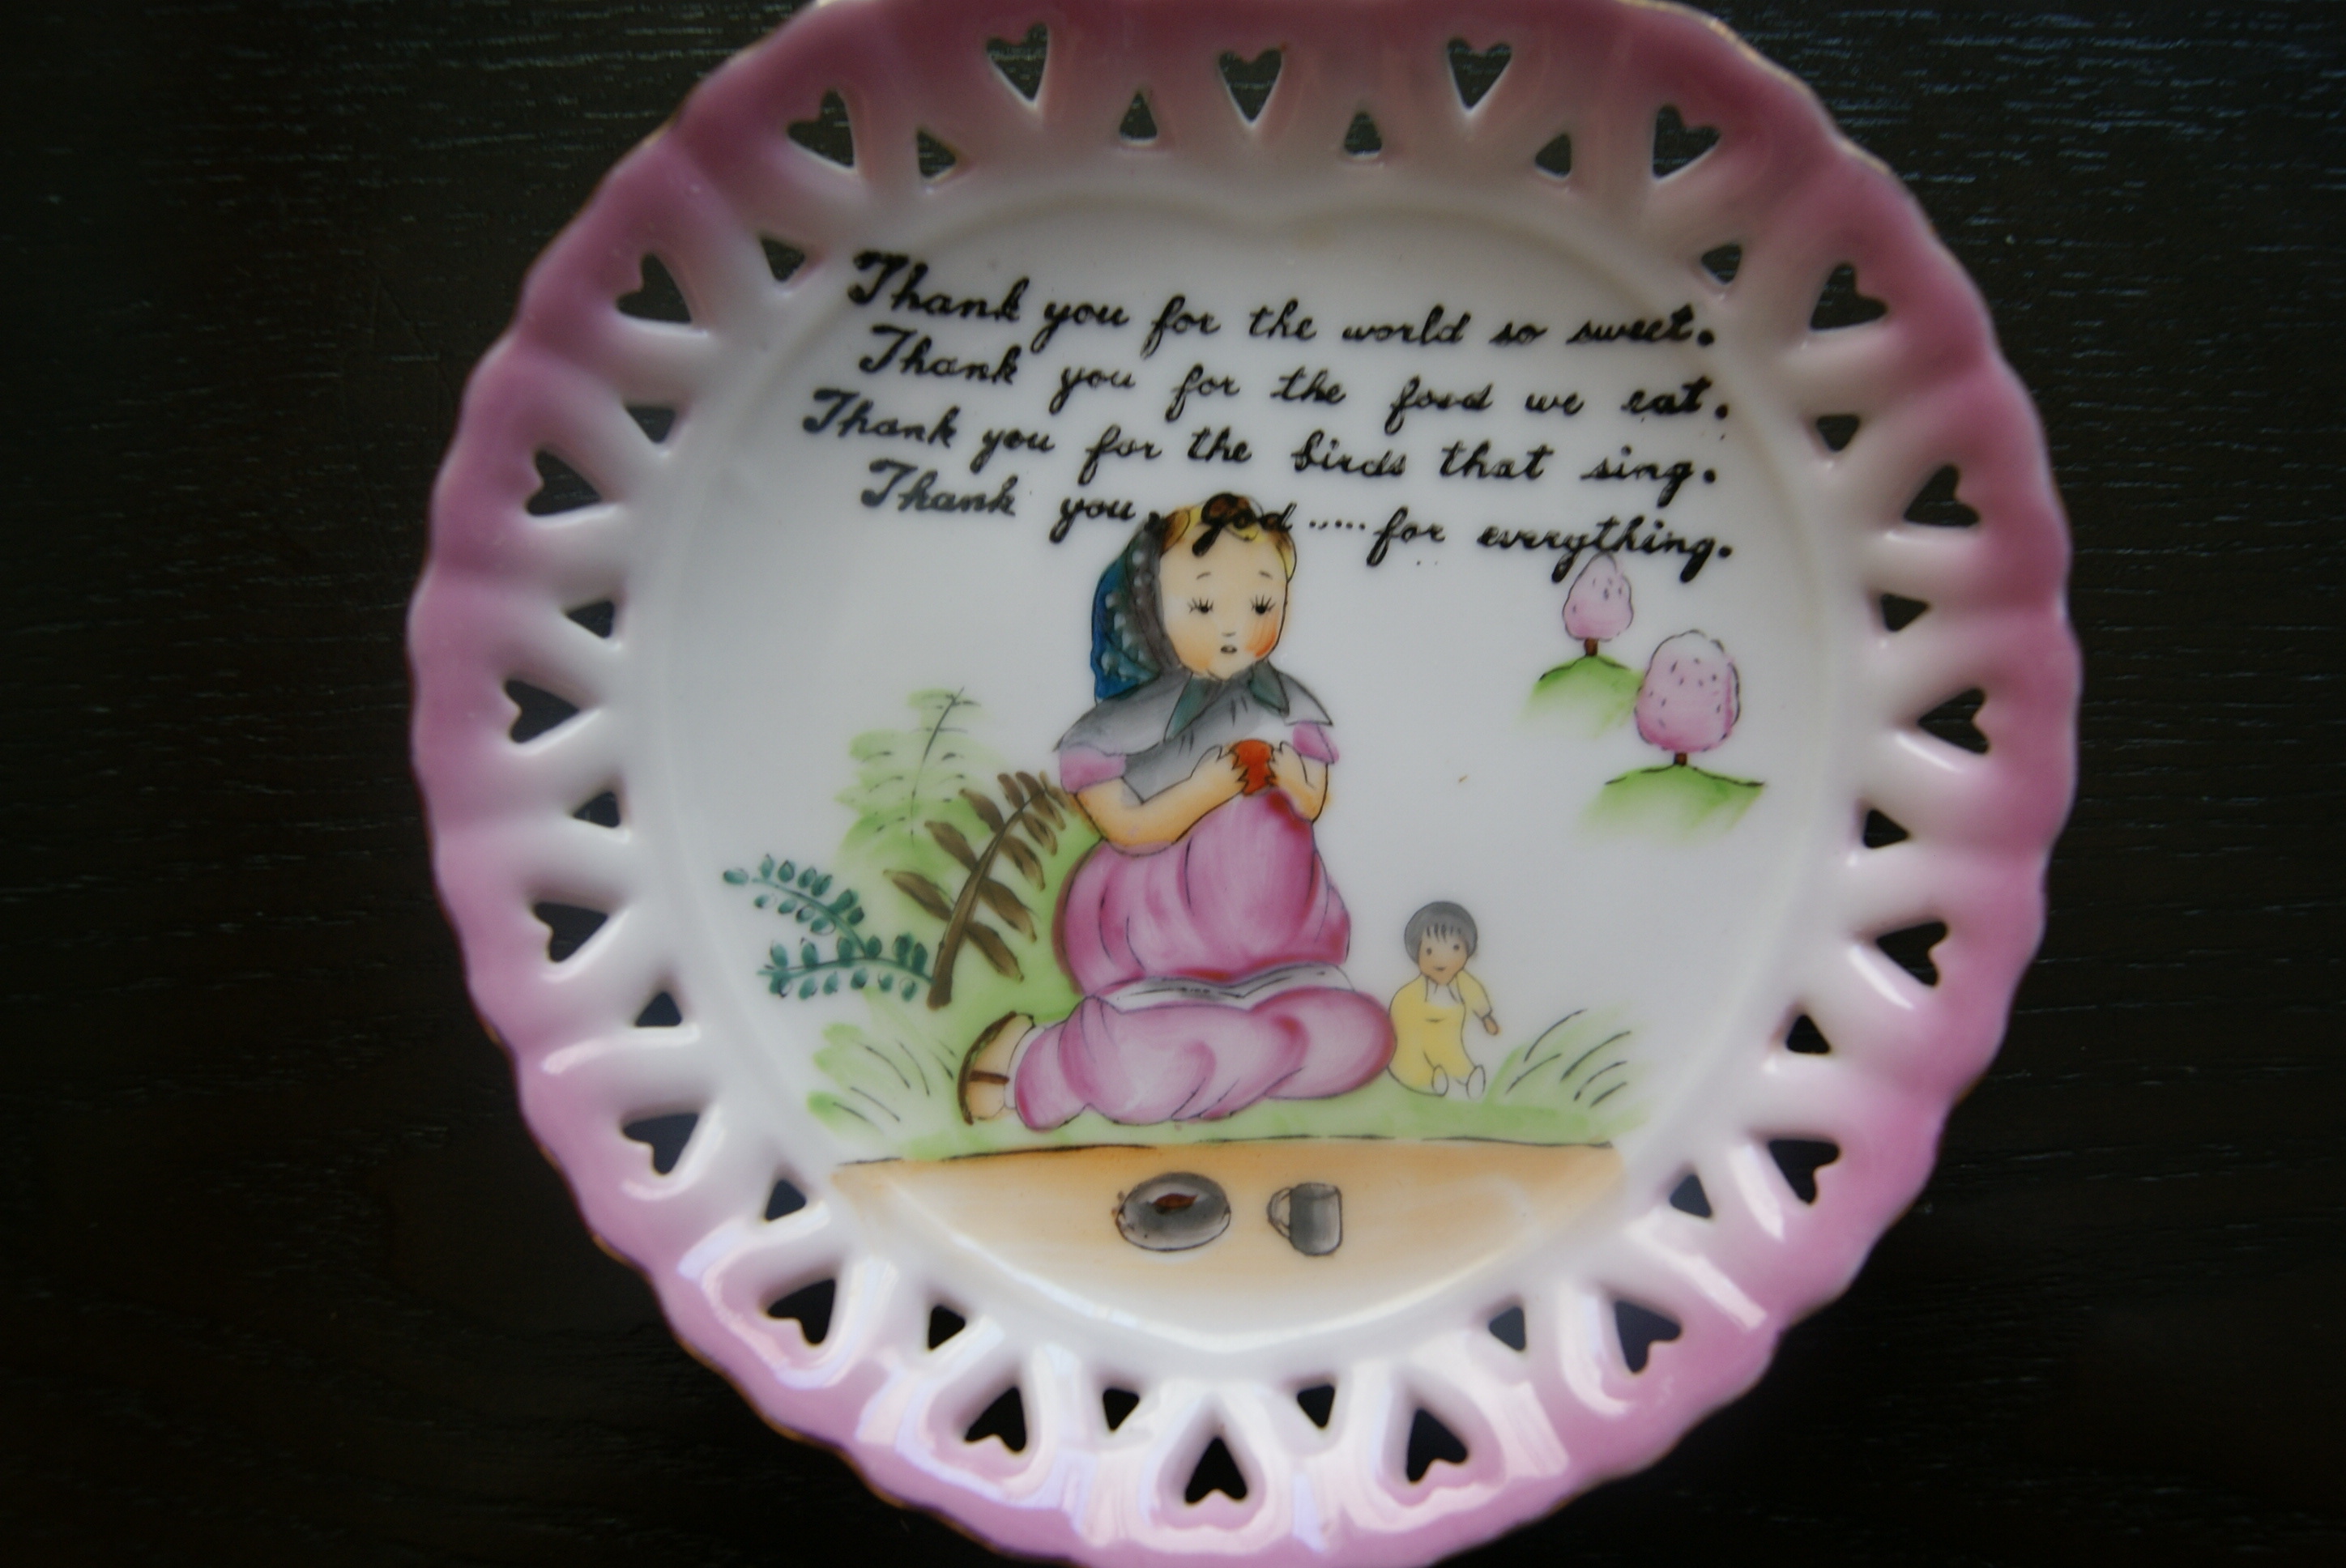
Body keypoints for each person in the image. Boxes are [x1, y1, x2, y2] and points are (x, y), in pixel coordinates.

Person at [958, 494, 1393, 1127]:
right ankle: (1038, 1058)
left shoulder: (1289, 705)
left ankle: (1242, 1051)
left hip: (1283, 958)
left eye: (1261, 605)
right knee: (1143, 1069)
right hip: (1159, 955)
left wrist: (1290, 779)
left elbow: (1315, 798)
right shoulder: (1120, 727)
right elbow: (1128, 828)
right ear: (1151, 612)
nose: (1234, 629)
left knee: (1361, 1038)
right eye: (1204, 608)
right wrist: (1205, 789)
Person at [1386, 901, 1499, 1097]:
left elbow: (1476, 996)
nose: (1442, 961)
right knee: (1414, 1060)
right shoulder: (1407, 995)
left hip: (1448, 1034)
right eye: (1429, 951)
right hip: (1419, 1036)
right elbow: (1400, 1026)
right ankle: (1430, 1080)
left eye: (1455, 948)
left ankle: (1467, 1078)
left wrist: (1486, 1017)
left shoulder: (1464, 983)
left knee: (1455, 1056)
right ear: (1416, 953)